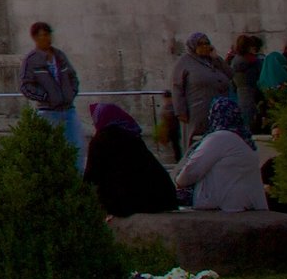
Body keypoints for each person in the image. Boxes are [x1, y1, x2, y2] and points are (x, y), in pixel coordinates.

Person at [83, 101, 177, 219]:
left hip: (129, 202)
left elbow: (91, 176)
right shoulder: (132, 134)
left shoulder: (100, 140)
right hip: (161, 198)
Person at [176, 97, 267, 212]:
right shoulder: (245, 139)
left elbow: (190, 172)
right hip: (248, 203)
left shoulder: (220, 137)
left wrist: (178, 181)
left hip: (226, 204)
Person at [18, 21, 82, 158]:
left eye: (48, 35)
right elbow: (25, 86)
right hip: (48, 112)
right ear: (35, 38)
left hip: (68, 110)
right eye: (43, 35)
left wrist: (71, 93)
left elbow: (72, 77)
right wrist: (45, 96)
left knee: (76, 148)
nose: (47, 39)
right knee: (52, 150)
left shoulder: (59, 55)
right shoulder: (31, 60)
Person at [170, 33, 235, 159]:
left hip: (220, 111)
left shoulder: (213, 60)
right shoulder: (184, 62)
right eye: (201, 44)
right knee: (199, 142)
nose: (205, 46)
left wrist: (217, 59)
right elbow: (177, 87)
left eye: (207, 43)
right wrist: (180, 110)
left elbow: (230, 74)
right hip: (198, 110)